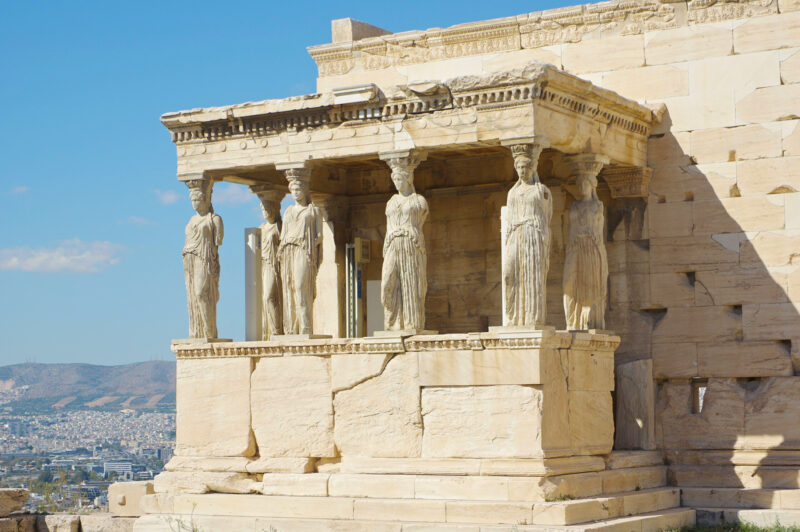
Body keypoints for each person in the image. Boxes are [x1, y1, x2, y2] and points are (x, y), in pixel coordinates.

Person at [503, 143, 551, 328]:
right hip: (515, 235)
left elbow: (547, 216)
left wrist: (543, 239)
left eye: (525, 167)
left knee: (532, 275)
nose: (522, 171)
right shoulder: (512, 192)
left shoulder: (541, 191)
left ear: (532, 168)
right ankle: (514, 316)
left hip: (533, 235)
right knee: (509, 273)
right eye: (519, 168)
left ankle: (532, 317)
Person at [382, 156, 429, 331]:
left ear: (408, 179)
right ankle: (393, 322)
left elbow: (421, 223)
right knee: (388, 282)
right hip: (393, 243)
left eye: (399, 179)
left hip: (411, 244)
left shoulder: (419, 201)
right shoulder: (391, 202)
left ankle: (410, 323)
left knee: (411, 284)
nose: (396, 183)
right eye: (394, 179)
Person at [279, 175, 322, 335]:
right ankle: (291, 329)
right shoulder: (288, 211)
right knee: (289, 288)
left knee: (300, 287)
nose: (295, 193)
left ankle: (306, 327)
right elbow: (283, 233)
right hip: (288, 250)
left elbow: (319, 236)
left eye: (298, 189)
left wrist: (307, 243)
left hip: (304, 250)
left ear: (304, 190)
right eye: (293, 190)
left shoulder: (313, 210)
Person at [563, 173, 607, 330]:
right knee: (569, 285)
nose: (582, 188)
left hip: (590, 248)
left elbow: (599, 233)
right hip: (575, 248)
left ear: (592, 186)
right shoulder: (574, 206)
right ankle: (573, 321)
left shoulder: (598, 206)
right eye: (580, 184)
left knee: (590, 284)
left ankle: (589, 321)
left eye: (585, 184)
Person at [182, 180, 223, 338]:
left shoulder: (214, 219)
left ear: (206, 200)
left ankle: (210, 331)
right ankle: (197, 331)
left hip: (205, 258)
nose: (194, 203)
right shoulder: (191, 220)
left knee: (201, 293)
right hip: (189, 259)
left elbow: (218, 241)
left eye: (197, 199)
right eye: (192, 200)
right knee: (193, 295)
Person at [259, 198, 282, 338]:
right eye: (263, 209)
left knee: (270, 296)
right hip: (263, 264)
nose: (266, 211)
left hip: (275, 265)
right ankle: (269, 330)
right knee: (265, 298)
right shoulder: (261, 228)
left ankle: (277, 330)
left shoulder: (279, 227)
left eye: (268, 208)